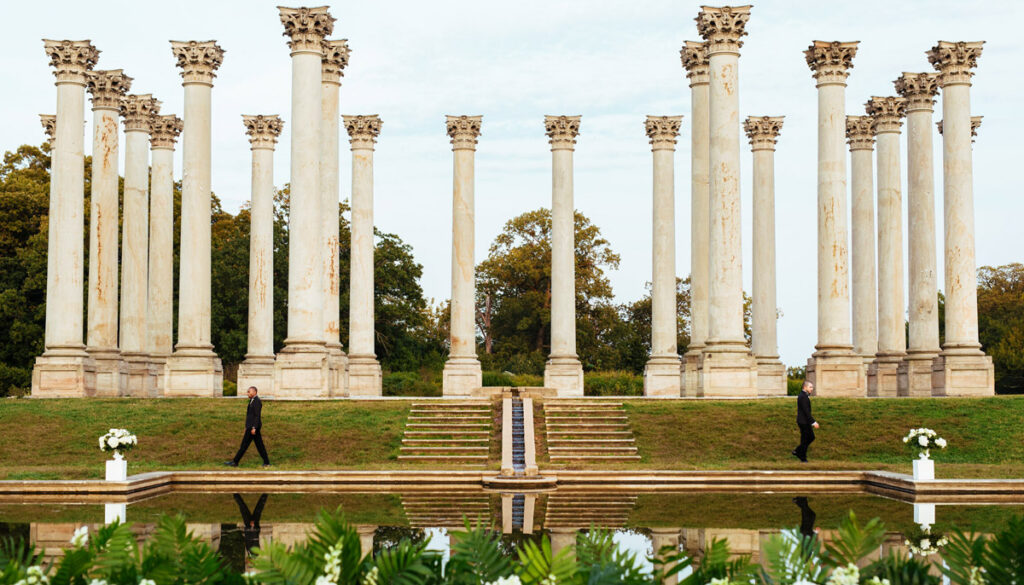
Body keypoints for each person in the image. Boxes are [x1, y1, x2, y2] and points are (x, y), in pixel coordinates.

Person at [225, 386, 270, 467]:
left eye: (249, 392)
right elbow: (250, 416)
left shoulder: (257, 401)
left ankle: (235, 462)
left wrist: (254, 428)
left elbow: (257, 416)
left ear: (254, 392)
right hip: (251, 427)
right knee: (259, 446)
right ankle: (266, 462)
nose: (247, 393)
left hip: (253, 428)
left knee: (244, 445)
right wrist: (246, 426)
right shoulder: (252, 401)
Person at [792, 380, 819, 462]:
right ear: (805, 387)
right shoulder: (803, 396)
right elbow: (806, 411)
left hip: (804, 421)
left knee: (809, 438)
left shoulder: (804, 395)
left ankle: (799, 452)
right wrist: (813, 422)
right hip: (803, 422)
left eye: (812, 387)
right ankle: (801, 455)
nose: (812, 389)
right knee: (807, 438)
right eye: (810, 387)